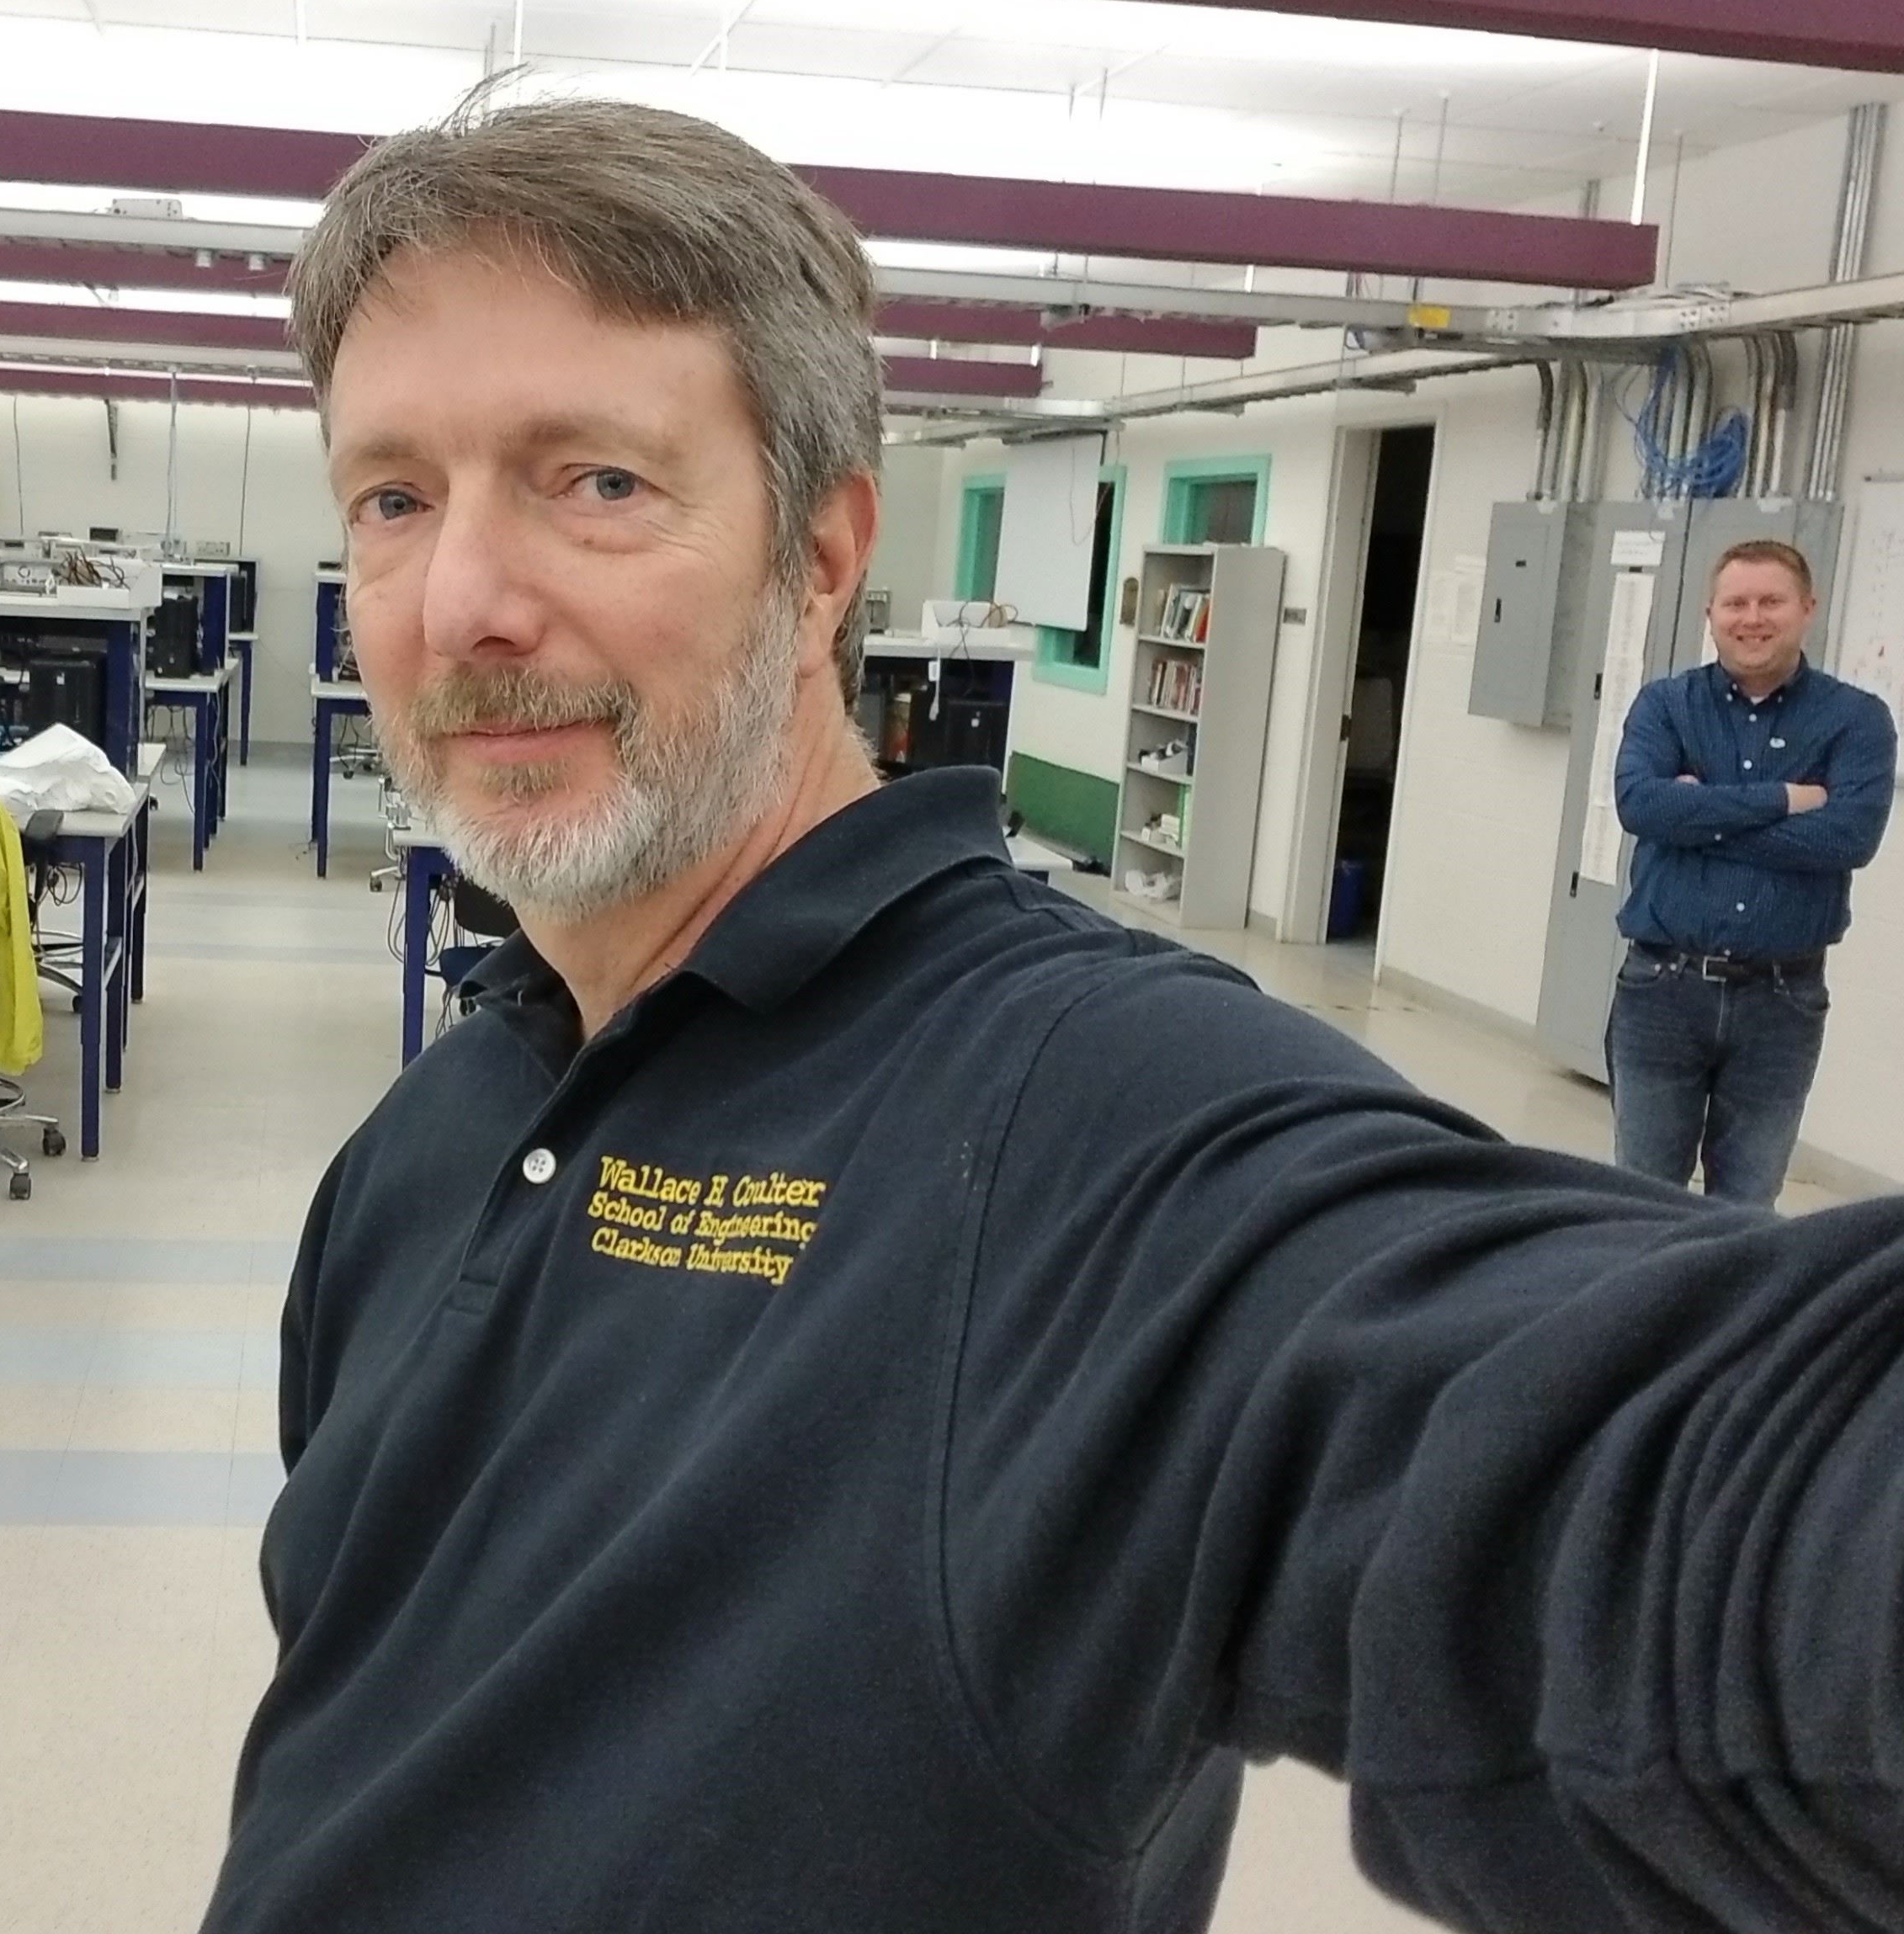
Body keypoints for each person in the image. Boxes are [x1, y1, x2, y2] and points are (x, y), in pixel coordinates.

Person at [198, 95, 1904, 1934]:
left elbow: (1666, 1490)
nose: (462, 600)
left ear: (826, 553)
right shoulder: (430, 1142)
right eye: (394, 497)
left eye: (596, 481)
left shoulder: (1096, 1118)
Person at [1606, 539, 1896, 1207]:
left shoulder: (1857, 720)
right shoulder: (1666, 706)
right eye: (1736, 602)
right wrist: (1785, 800)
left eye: (1772, 601)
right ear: (1711, 613)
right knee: (1639, 1200)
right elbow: (1641, 804)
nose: (1753, 617)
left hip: (1782, 1002)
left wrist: (1697, 818)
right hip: (1661, 988)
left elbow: (1848, 836)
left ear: (1807, 609)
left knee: (1747, 1207)